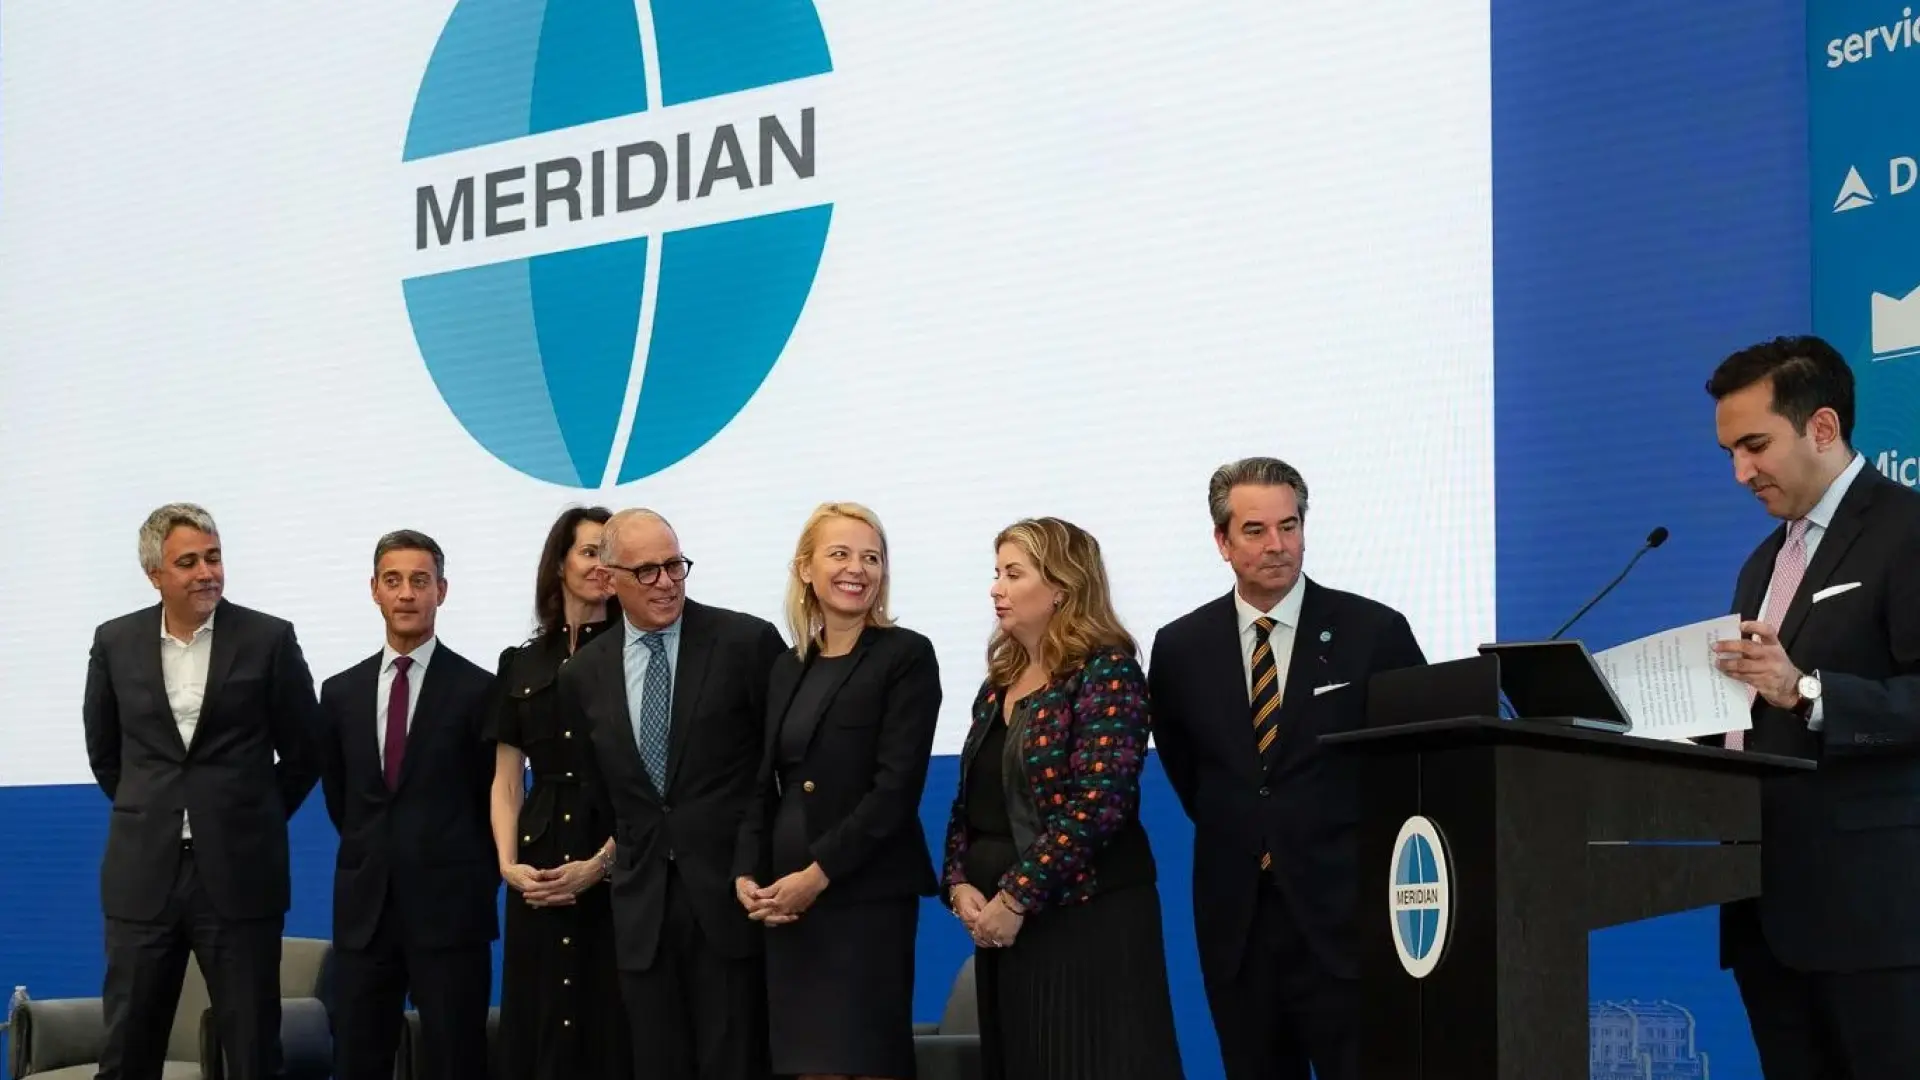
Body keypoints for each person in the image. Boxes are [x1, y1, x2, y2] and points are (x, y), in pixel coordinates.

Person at [1148, 457, 1426, 1080]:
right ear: (1222, 541)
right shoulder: (1181, 647)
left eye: (1289, 525)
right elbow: (1194, 773)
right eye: (1255, 530)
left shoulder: (1373, 631)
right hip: (1238, 925)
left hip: (1346, 923)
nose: (1277, 545)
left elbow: (1413, 765)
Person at [1704, 335, 1920, 1076]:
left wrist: (1806, 691)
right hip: (1766, 911)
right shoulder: (1763, 561)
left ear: (1821, 428)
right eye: (1730, 451)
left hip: (1878, 920)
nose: (1740, 472)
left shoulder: (1906, 530)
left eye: (1755, 445)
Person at [82, 503, 320, 1080]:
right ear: (155, 575)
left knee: (253, 1049)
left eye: (213, 557)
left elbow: (306, 751)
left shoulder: (268, 639)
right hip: (144, 878)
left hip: (240, 877)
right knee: (128, 1050)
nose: (205, 572)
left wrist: (250, 815)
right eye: (187, 562)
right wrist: (157, 813)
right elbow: (106, 754)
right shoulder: (114, 642)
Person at [941, 516, 1184, 1080]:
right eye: (996, 572)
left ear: (1061, 588)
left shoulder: (1108, 671)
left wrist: (1015, 898)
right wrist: (959, 885)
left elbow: (1100, 805)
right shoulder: (999, 681)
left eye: (1013, 573)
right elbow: (970, 800)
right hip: (1005, 932)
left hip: (1086, 922)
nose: (996, 588)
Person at [558, 509, 787, 1080]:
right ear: (609, 579)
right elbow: (606, 793)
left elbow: (778, 769)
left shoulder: (746, 643)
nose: (666, 582)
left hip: (733, 903)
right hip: (643, 916)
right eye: (647, 572)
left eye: (674, 566)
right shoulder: (582, 674)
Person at [732, 502, 943, 1080]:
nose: (858, 569)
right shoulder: (785, 667)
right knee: (809, 1065)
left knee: (866, 1059)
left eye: (872, 557)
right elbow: (764, 785)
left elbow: (895, 790)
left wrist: (817, 875)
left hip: (864, 898)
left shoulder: (906, 656)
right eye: (841, 554)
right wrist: (747, 873)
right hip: (788, 904)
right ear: (806, 568)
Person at [317, 530, 498, 1080]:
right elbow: (341, 799)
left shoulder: (480, 690)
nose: (406, 594)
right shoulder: (339, 693)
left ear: (441, 590)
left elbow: (492, 797)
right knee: (358, 1059)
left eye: (420, 581)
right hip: (365, 913)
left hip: (450, 913)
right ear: (373, 590)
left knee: (454, 1059)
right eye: (392, 581)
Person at [489, 506, 630, 1080]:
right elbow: (504, 778)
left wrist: (602, 863)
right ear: (559, 564)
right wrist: (508, 866)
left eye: (611, 555)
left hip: (618, 853)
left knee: (610, 1022)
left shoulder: (636, 651)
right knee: (539, 1021)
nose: (602, 565)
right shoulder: (520, 661)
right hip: (538, 858)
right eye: (590, 551)